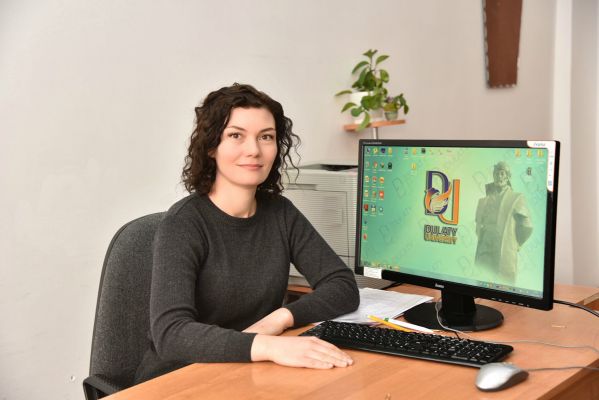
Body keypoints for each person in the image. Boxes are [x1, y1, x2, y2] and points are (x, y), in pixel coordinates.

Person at [133, 83, 360, 384]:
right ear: (211, 146)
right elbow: (171, 334)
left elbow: (343, 286)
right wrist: (268, 345)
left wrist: (280, 319)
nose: (254, 150)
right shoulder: (183, 223)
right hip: (180, 380)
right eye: (236, 135)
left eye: (266, 137)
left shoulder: (280, 213)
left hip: (247, 372)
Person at [474, 161, 533, 283]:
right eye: (496, 174)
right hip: (484, 250)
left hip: (503, 251)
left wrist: (514, 243)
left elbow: (527, 226)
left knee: (502, 287)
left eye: (502, 173)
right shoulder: (483, 201)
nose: (499, 177)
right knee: (480, 282)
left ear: (508, 176)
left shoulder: (516, 198)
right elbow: (478, 225)